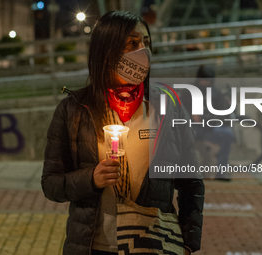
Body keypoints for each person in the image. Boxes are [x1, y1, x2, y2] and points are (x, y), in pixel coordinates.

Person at [41, 11, 204, 255]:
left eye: (146, 43)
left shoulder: (168, 105)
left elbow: (191, 181)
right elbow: (51, 184)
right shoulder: (74, 110)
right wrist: (91, 179)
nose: (143, 50)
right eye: (132, 43)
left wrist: (189, 242)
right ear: (107, 51)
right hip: (93, 246)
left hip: (154, 246)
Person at [181, 65, 235, 180]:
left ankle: (222, 171)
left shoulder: (216, 92)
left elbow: (224, 113)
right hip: (191, 129)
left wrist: (228, 106)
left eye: (208, 80)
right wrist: (191, 114)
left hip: (209, 128)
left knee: (227, 134)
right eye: (203, 80)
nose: (205, 82)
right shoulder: (189, 91)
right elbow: (180, 111)